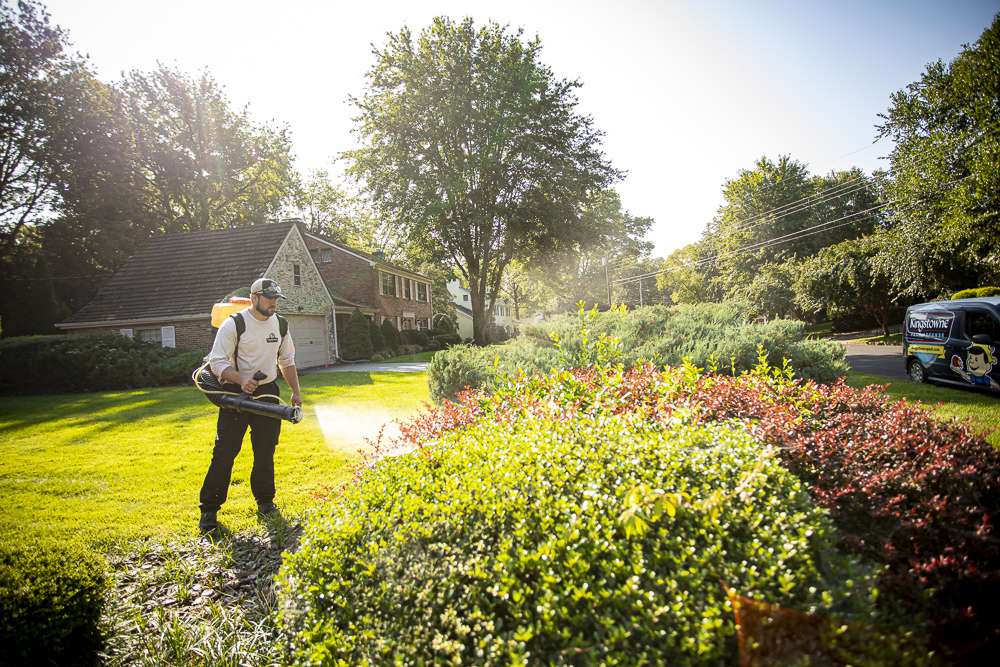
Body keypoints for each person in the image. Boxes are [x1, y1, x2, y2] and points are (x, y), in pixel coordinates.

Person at [198, 277, 302, 533]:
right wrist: (241, 379)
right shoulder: (235, 324)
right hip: (235, 393)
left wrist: (296, 392)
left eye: (276, 299)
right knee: (225, 452)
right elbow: (217, 363)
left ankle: (266, 502)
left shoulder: (281, 324)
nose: (273, 303)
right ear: (254, 297)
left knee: (265, 451)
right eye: (269, 298)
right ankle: (209, 512)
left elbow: (286, 361)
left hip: (267, 392)